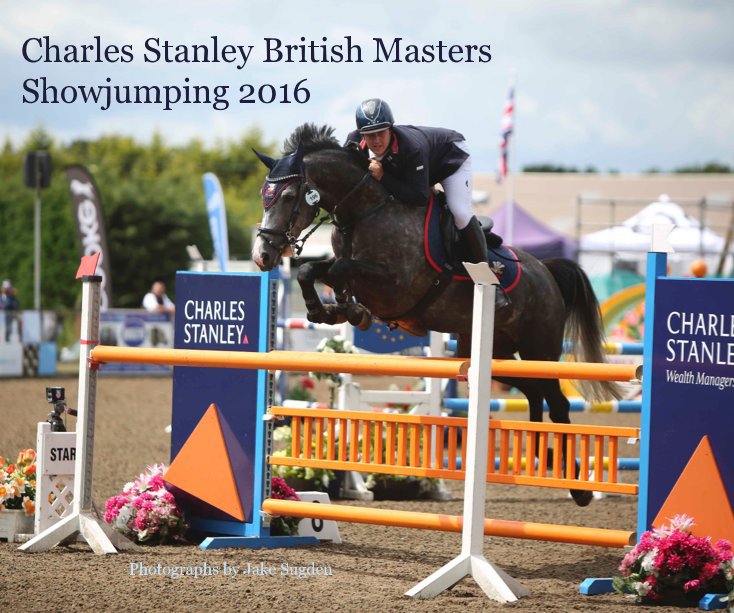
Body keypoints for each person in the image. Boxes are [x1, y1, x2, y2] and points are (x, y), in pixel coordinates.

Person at [345, 98, 508, 308]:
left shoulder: (412, 148)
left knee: (459, 212)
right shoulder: (354, 144)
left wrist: (384, 177)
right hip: (414, 169)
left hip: (449, 158)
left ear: (391, 129)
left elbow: (420, 197)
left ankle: (489, 284)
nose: (376, 140)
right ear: (361, 134)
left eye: (381, 133)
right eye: (370, 134)